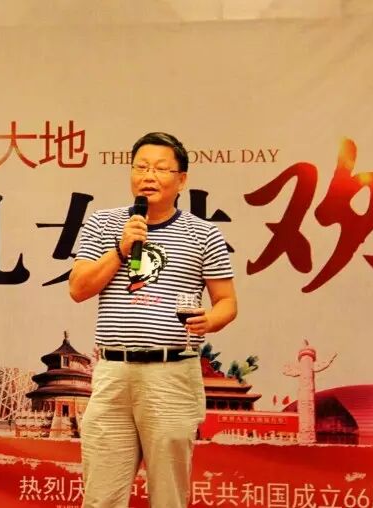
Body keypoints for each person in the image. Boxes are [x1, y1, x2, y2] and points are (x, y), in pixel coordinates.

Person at [69, 132, 237, 507]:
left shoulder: (204, 234)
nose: (149, 176)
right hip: (113, 372)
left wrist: (209, 321)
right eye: (141, 167)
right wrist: (121, 248)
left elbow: (227, 302)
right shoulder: (102, 224)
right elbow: (78, 288)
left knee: (168, 497)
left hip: (171, 374)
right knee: (101, 497)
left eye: (161, 169)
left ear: (182, 179)